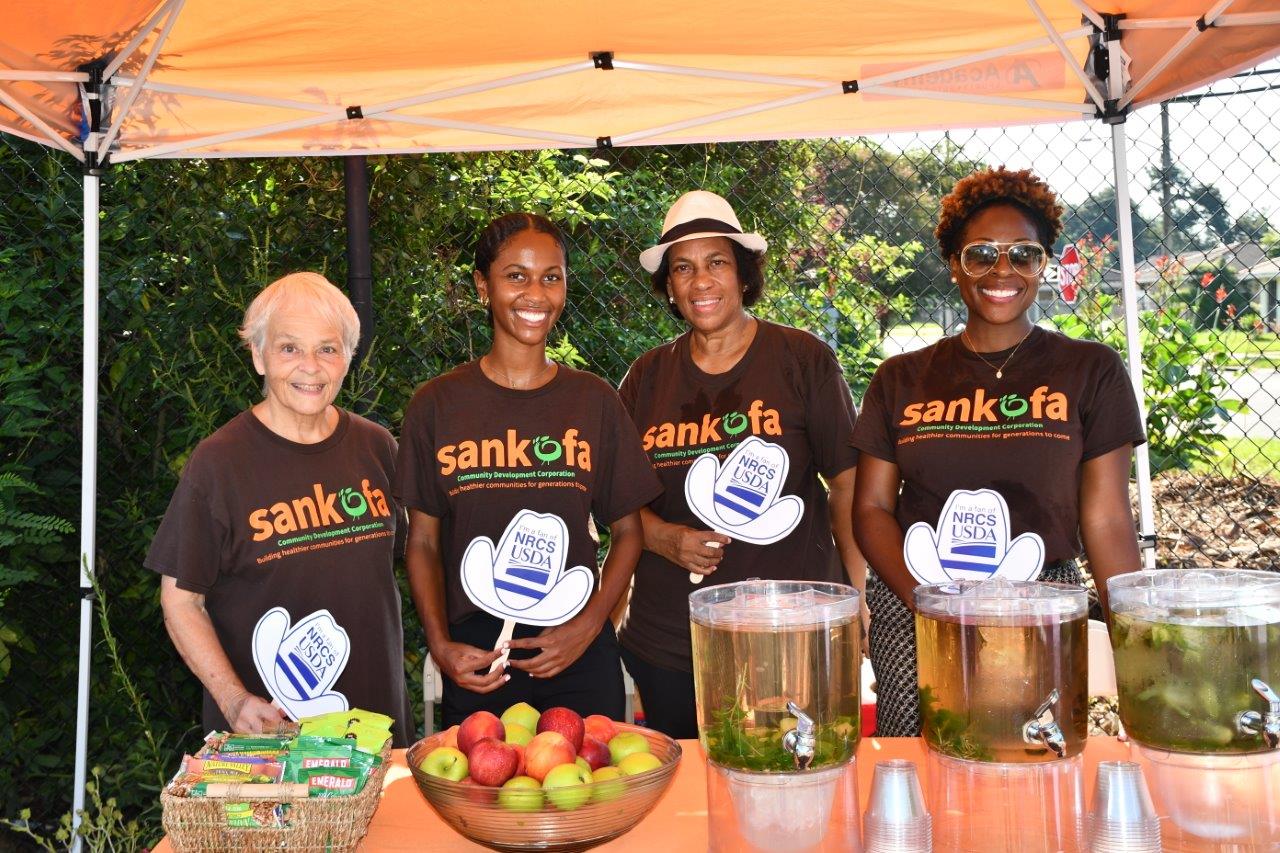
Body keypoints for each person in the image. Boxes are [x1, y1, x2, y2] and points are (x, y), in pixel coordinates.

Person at [851, 167, 1146, 736]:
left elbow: (1107, 517)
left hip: (1040, 599)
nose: (1002, 271)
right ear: (955, 265)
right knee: (922, 768)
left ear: (1044, 265)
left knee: (1028, 761)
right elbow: (870, 511)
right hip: (917, 601)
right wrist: (933, 605)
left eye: (1023, 255)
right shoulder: (902, 377)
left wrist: (1139, 638)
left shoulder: (1090, 370)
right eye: (982, 254)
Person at [395, 213, 661, 726]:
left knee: (588, 801)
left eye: (551, 277)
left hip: (577, 650)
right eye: (516, 275)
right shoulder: (437, 404)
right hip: (477, 660)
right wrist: (441, 644)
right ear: (482, 286)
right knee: (481, 803)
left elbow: (630, 532)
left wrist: (590, 626)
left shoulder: (594, 401)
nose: (535, 293)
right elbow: (423, 542)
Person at [618, 190, 865, 739]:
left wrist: (859, 593)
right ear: (670, 287)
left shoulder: (802, 361)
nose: (700, 281)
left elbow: (849, 485)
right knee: (691, 800)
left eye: (716, 263)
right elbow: (615, 506)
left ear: (743, 275)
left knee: (793, 787)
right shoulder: (646, 379)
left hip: (790, 632)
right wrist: (663, 539)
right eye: (683, 268)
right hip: (673, 639)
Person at [148, 272, 414, 746]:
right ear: (258, 356)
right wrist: (233, 700)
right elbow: (181, 600)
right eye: (289, 348)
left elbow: (419, 552)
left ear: (347, 359)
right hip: (269, 739)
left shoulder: (377, 447)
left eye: (328, 349)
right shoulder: (219, 463)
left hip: (375, 728)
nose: (310, 367)